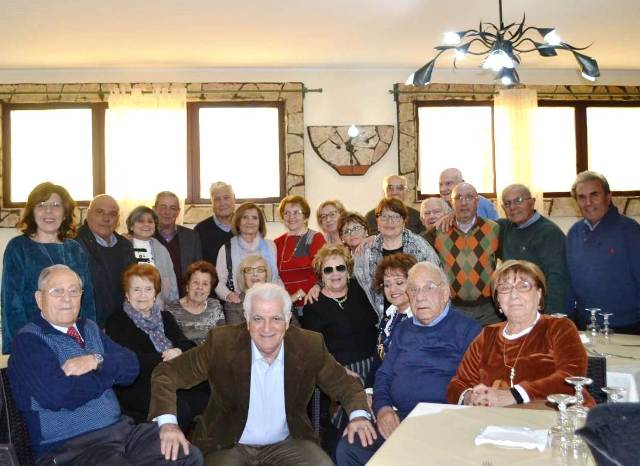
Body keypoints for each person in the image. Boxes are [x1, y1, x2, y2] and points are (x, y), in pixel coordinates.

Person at [149, 283, 376, 466]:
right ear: (247, 321)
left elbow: (345, 384)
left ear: (287, 320)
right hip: (228, 444)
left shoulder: (309, 345)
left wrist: (358, 415)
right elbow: (166, 373)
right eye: (258, 318)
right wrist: (168, 423)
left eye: (276, 318)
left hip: (288, 442)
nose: (267, 328)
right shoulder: (222, 343)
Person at [7, 264, 202, 466]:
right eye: (57, 291)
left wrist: (96, 361)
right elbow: (59, 395)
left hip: (121, 431)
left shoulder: (89, 327)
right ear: (39, 299)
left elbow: (131, 366)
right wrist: (107, 376)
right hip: (72, 447)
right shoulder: (29, 341)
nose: (67, 298)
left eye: (74, 291)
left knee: (187, 455)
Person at [336, 262, 481, 466]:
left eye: (429, 287)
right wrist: (383, 408)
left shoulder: (468, 330)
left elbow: (474, 384)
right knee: (351, 446)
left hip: (444, 420)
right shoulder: (403, 329)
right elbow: (384, 375)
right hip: (401, 417)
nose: (420, 296)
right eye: (413, 289)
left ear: (445, 292)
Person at [447, 259, 594, 408]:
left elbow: (571, 378)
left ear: (538, 294)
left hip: (558, 419)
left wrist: (514, 395)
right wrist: (470, 397)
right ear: (498, 300)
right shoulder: (487, 335)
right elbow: (458, 383)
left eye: (523, 286)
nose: (513, 295)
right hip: (499, 424)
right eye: (504, 288)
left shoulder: (559, 327)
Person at [106, 264, 209, 432]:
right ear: (127, 294)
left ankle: (202, 445)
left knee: (208, 389)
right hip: (140, 383)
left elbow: (186, 344)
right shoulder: (117, 321)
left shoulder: (165, 317)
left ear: (155, 293)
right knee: (178, 407)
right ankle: (172, 452)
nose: (142, 295)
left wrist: (178, 351)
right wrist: (163, 357)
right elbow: (127, 359)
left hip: (172, 376)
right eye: (136, 289)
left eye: (148, 289)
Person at [2, 182, 95, 354]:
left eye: (56, 205)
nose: (49, 211)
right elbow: (12, 303)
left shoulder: (75, 249)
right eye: (41, 205)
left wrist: (92, 339)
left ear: (65, 213)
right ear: (32, 212)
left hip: (74, 338)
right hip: (35, 338)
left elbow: (87, 298)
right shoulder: (18, 247)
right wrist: (20, 345)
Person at [566, 171, 640, 333]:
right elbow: (569, 281)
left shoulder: (630, 230)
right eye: (582, 197)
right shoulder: (574, 233)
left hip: (628, 326)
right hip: (585, 324)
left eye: (594, 195)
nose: (588, 202)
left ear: (608, 197)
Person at [425, 183, 501, 326]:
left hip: (490, 310)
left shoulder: (494, 229)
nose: (464, 202)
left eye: (469, 197)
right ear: (451, 203)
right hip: (454, 309)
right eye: (458, 198)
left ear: (477, 201)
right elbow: (414, 242)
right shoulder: (439, 231)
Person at [354, 197, 440, 318]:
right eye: (384, 216)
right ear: (377, 221)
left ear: (404, 221)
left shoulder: (420, 246)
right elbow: (357, 286)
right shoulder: (366, 250)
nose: (389, 222)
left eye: (395, 217)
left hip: (416, 316)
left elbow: (435, 281)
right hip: (375, 320)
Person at [498, 184, 569, 314]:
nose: (512, 207)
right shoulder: (503, 228)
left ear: (532, 202)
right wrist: (453, 215)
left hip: (541, 310)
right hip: (516, 306)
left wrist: (550, 317)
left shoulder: (549, 233)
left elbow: (558, 278)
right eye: (507, 204)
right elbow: (475, 224)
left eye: (518, 200)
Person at [75, 194, 136, 328]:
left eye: (112, 214)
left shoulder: (126, 246)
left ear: (118, 219)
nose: (106, 218)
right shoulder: (74, 245)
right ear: (88, 214)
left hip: (123, 322)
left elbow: (133, 285)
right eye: (100, 212)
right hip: (89, 324)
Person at [215, 202, 280, 303]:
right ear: (238, 221)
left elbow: (276, 277)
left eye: (254, 218)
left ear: (260, 223)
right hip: (238, 304)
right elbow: (217, 281)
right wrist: (228, 295)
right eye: (245, 217)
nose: (250, 221)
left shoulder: (270, 246)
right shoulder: (227, 248)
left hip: (268, 301)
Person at [274, 195, 326, 310]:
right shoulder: (277, 242)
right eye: (286, 212)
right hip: (284, 303)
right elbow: (274, 274)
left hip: (310, 301)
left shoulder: (315, 238)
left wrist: (296, 296)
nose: (291, 216)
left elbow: (320, 272)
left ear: (305, 217)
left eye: (296, 212)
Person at [126, 205, 179, 304]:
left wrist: (173, 305)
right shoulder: (122, 247)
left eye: (150, 221)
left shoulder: (162, 249)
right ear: (131, 226)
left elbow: (171, 280)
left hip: (157, 305)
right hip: (130, 304)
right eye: (140, 221)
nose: (146, 224)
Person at [166, 261, 225, 345]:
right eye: (196, 282)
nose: (200, 287)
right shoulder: (171, 309)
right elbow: (170, 344)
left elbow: (223, 337)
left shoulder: (215, 306)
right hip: (186, 356)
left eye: (205, 284)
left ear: (210, 289)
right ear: (187, 286)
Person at [154, 191, 203, 291]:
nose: (167, 212)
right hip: (151, 297)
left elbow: (199, 270)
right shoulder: (145, 237)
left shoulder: (192, 237)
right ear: (154, 209)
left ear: (178, 212)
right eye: (163, 207)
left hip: (184, 297)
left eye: (172, 208)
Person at [372, 253, 417, 359]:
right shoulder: (388, 316)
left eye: (399, 282)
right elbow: (378, 359)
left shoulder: (419, 319)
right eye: (387, 284)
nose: (392, 289)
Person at [223, 254, 275, 325]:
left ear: (266, 275)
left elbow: (293, 331)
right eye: (249, 270)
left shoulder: (279, 299)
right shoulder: (233, 306)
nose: (255, 274)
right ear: (243, 276)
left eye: (260, 270)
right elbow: (236, 335)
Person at [194, 182, 235, 267]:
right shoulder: (200, 230)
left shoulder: (245, 226)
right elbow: (197, 265)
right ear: (211, 203)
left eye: (226, 198)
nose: (222, 203)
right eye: (217, 199)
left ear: (234, 199)